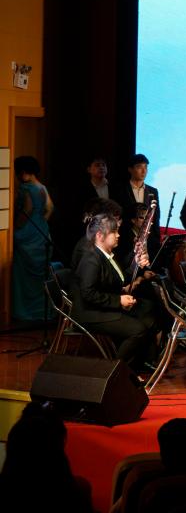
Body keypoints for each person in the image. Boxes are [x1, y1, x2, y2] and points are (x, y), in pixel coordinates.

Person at [72, 214, 157, 371]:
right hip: (91, 314)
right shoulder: (91, 259)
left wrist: (136, 263)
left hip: (103, 308)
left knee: (149, 314)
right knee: (137, 330)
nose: (118, 235)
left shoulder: (107, 255)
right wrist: (119, 301)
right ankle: (114, 371)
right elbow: (88, 294)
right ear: (99, 236)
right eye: (114, 232)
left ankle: (143, 363)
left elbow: (121, 279)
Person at [12, 156, 54, 321]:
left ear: (22, 172)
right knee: (40, 275)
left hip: (27, 230)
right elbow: (50, 208)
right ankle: (41, 311)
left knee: (22, 273)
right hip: (41, 230)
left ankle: (25, 311)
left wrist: (16, 227)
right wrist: (41, 221)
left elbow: (27, 209)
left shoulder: (25, 188)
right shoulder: (42, 187)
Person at [114, 153, 161, 262]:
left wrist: (156, 239)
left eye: (146, 167)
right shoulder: (120, 190)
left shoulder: (153, 191)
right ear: (130, 169)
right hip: (126, 239)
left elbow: (156, 217)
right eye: (139, 167)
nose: (144, 171)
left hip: (148, 240)